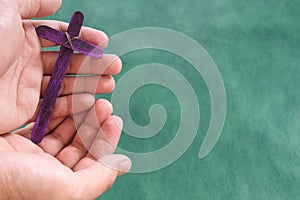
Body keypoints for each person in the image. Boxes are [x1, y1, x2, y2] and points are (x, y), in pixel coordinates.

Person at [0, 0, 131, 199]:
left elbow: (94, 51)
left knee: (56, 97)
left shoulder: (69, 43)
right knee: (54, 96)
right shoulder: (64, 41)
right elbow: (44, 31)